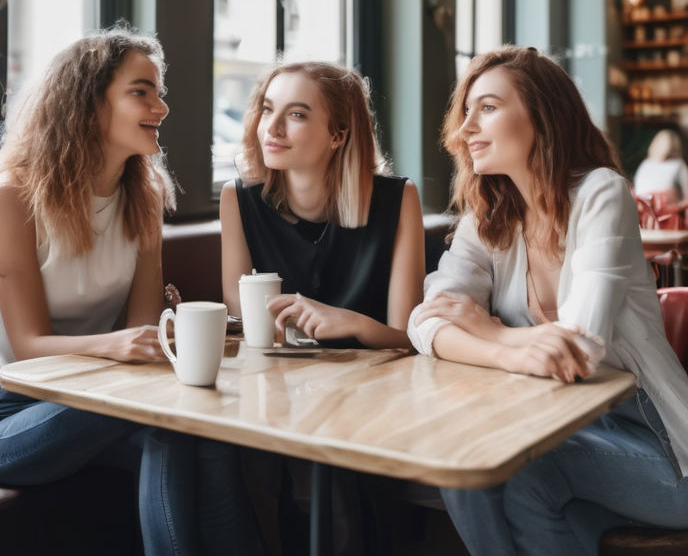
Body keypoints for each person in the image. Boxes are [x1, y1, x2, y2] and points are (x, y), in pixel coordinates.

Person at [0, 25, 261, 555]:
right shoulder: (15, 195)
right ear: (87, 103)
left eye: (158, 91)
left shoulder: (144, 194)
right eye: (141, 91)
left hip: (107, 394)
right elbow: (28, 346)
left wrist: (158, 342)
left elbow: (142, 334)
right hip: (8, 413)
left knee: (190, 430)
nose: (161, 107)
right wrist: (115, 345)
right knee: (170, 419)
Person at [407, 46, 688, 556]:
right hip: (566, 430)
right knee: (490, 473)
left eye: (487, 108)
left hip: (662, 446)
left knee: (493, 463)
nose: (465, 128)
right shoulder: (486, 220)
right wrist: (506, 353)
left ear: (542, 115)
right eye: (466, 111)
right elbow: (425, 323)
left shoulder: (602, 194)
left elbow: (581, 349)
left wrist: (489, 330)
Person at [220, 60, 426, 554]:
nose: (270, 127)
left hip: (376, 395)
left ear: (338, 134)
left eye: (295, 114)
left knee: (336, 462)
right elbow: (246, 324)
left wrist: (350, 322)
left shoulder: (399, 200)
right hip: (277, 396)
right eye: (267, 109)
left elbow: (409, 337)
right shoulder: (239, 200)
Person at [633, 128, 688, 202]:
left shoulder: (678, 164)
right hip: (644, 206)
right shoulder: (646, 163)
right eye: (661, 144)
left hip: (666, 208)